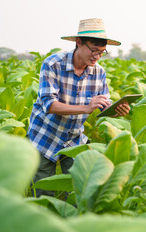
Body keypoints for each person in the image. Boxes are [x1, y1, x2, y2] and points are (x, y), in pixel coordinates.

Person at [28, 18, 130, 197]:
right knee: (43, 194)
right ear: (78, 43)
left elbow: (102, 106)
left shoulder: (99, 73)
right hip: (44, 136)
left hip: (73, 138)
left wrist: (116, 111)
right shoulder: (52, 64)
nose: (97, 56)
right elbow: (49, 105)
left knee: (80, 191)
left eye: (101, 52)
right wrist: (85, 108)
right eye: (93, 50)